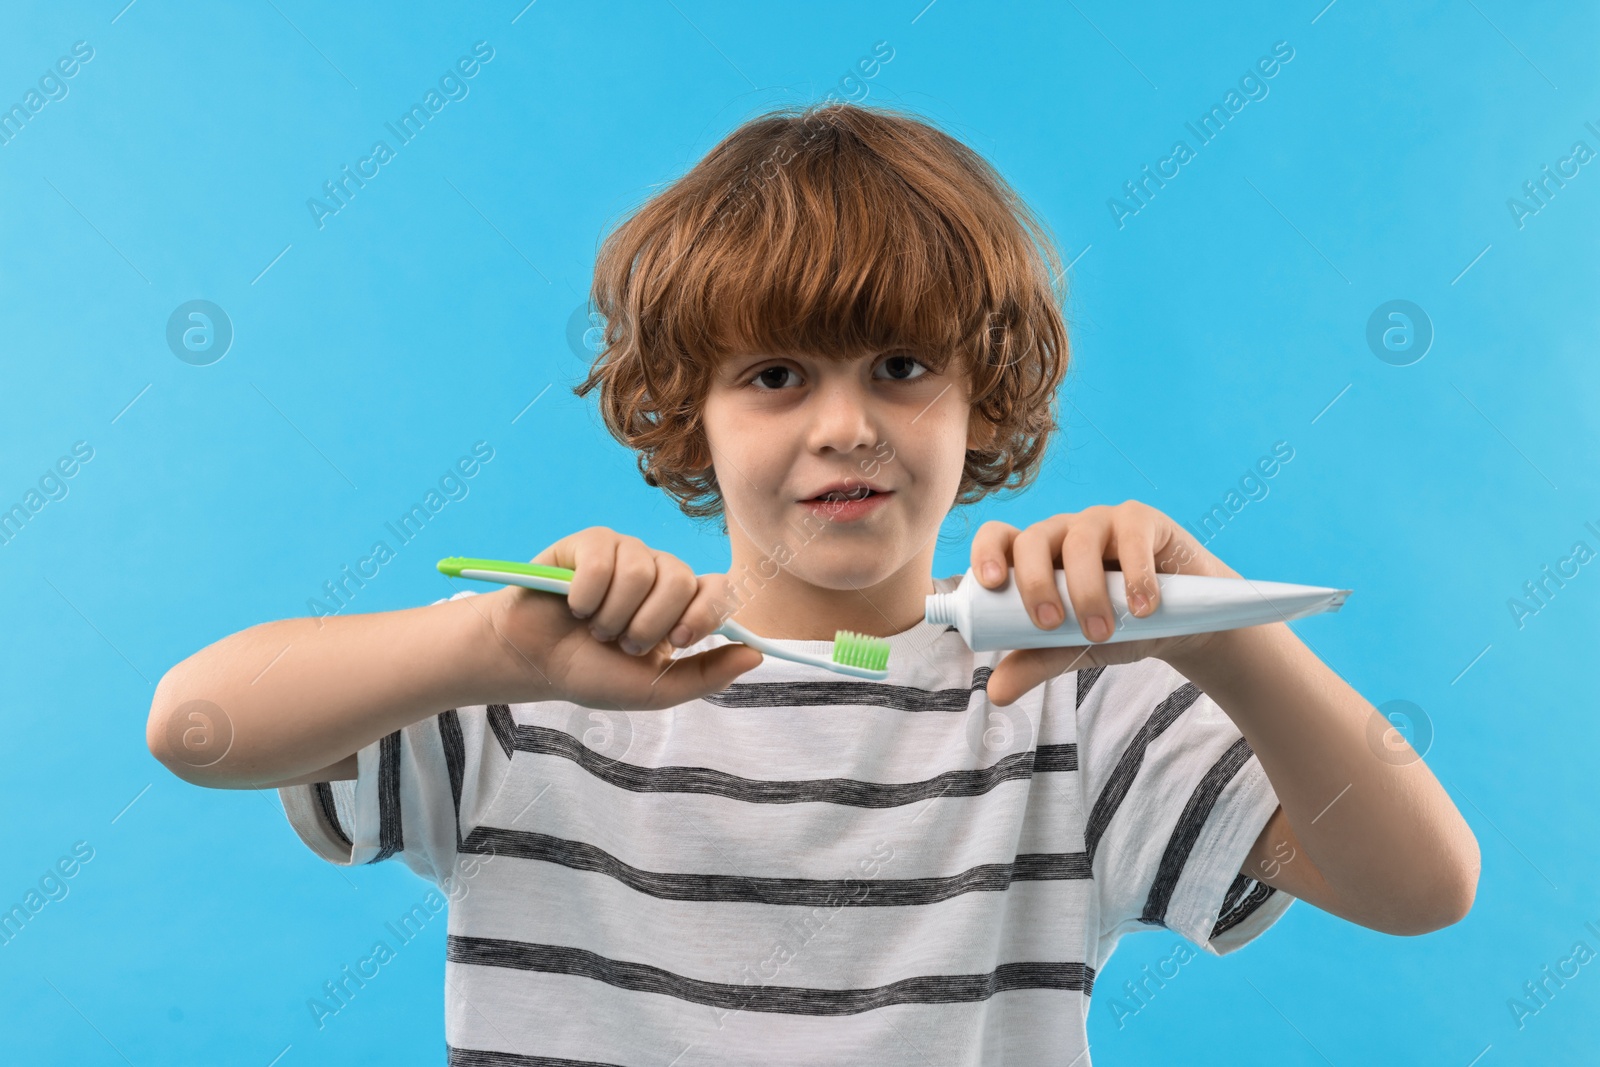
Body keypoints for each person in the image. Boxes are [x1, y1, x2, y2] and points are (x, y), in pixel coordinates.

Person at [147, 101, 1479, 1065]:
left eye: (902, 365)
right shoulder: (533, 674)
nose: (846, 425)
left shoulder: (1077, 704)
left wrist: (1217, 633)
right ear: (688, 412)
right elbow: (194, 727)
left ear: (981, 400)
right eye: (776, 374)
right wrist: (487, 650)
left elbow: (1422, 888)